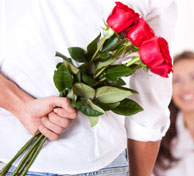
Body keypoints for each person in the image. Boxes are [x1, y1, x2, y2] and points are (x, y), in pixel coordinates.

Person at [0, 0, 177, 175]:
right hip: (96, 157)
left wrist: (22, 107)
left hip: (18, 156)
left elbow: (150, 110)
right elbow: (150, 108)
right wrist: (21, 107)